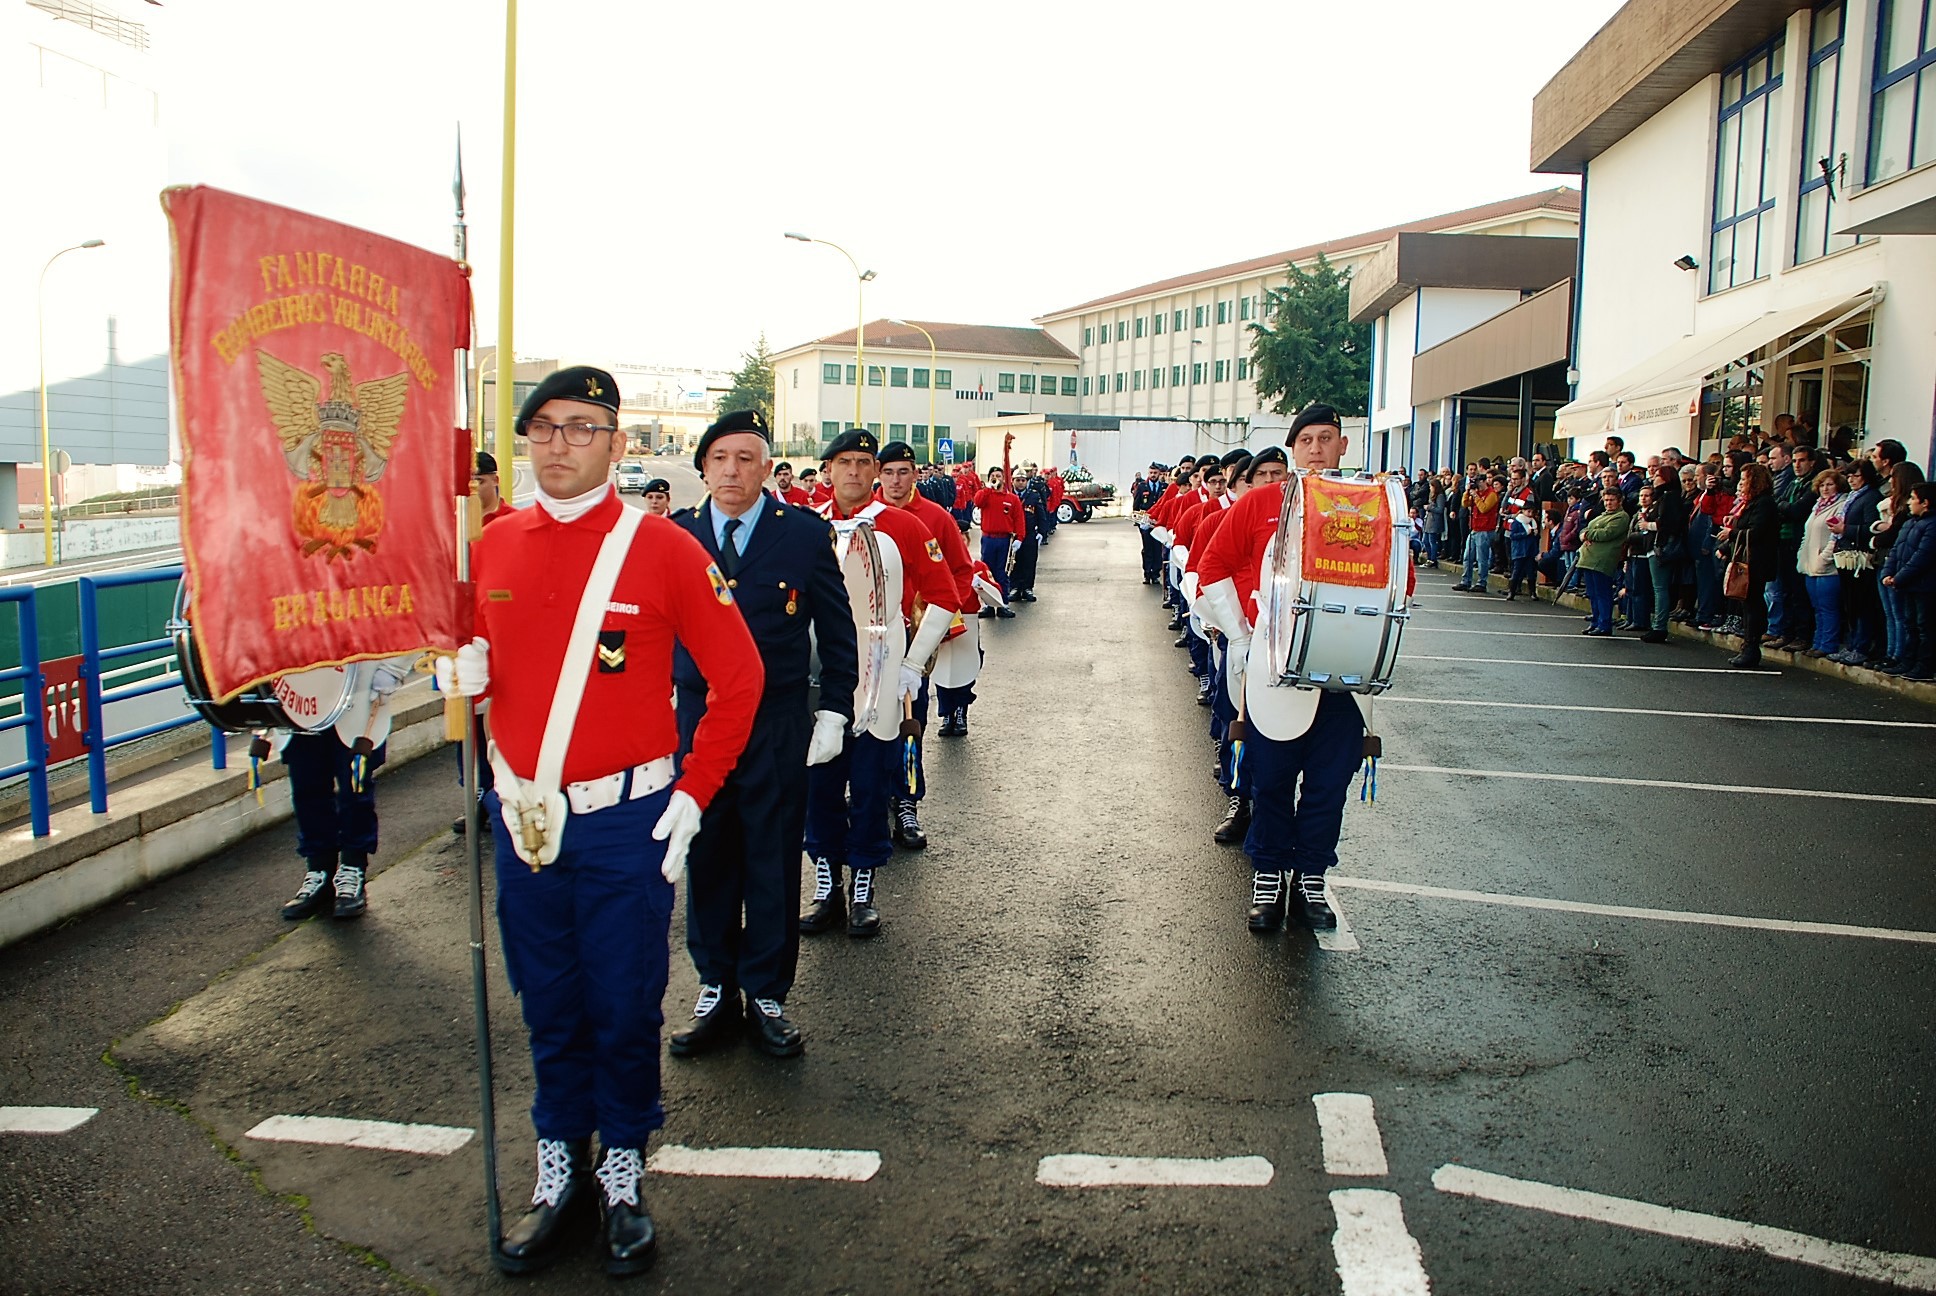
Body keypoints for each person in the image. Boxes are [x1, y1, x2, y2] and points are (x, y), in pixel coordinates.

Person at [447, 366, 763, 1277]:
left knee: (622, 1004)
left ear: (617, 444)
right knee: (547, 1001)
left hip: (630, 821)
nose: (556, 443)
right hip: (525, 818)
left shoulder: (661, 549)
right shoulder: (495, 547)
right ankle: (560, 1169)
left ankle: (621, 1170)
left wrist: (695, 794)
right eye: (542, 427)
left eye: (581, 428)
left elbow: (739, 680)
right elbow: (478, 658)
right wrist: (459, 680)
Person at [666, 410, 858, 1060]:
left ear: (766, 468)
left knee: (771, 857)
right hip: (698, 722)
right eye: (719, 458)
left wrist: (835, 707)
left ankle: (767, 992)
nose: (731, 471)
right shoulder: (676, 536)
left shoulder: (802, 535)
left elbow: (835, 628)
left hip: (775, 721)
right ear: (702, 466)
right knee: (708, 854)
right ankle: (716, 986)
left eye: (746, 458)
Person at [1195, 405, 1410, 934]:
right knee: (1268, 781)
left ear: (1342, 447)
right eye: (1306, 439)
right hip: (1273, 676)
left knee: (1328, 785)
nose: (1316, 448)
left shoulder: (1371, 505)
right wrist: (1246, 638)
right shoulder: (1264, 501)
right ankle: (1268, 878)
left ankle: (1311, 878)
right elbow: (1211, 568)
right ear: (1293, 448)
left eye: (1327, 439)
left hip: (1344, 680)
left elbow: (1400, 584)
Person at [802, 429, 960, 939]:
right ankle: (827, 886)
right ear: (827, 469)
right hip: (818, 674)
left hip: (881, 668)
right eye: (843, 462)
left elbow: (943, 596)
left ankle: (864, 889)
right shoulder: (805, 527)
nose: (853, 471)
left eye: (863, 462)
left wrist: (913, 664)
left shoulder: (905, 527)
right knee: (819, 786)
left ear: (875, 471)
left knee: (871, 785)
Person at [876, 439, 979, 841]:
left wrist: (934, 617)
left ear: (915, 474)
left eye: (903, 472)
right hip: (869, 640)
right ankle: (872, 797)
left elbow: (961, 571)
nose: (895, 480)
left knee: (909, 721)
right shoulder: (864, 516)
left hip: (914, 639)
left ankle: (906, 801)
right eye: (888, 472)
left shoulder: (935, 518)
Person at [275, 657, 415, 921]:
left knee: (355, 791)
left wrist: (394, 668)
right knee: (307, 790)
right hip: (301, 695)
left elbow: (406, 620)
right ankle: (319, 870)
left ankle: (352, 869)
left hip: (358, 694)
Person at [1716, 462, 1779, 669]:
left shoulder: (1765, 503)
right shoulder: (1750, 503)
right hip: (1747, 559)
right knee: (1748, 604)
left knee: (1753, 605)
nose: (1741, 483)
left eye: (1745, 479)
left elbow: (1758, 531)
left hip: (1757, 562)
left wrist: (1732, 533)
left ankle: (1751, 647)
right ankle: (1748, 645)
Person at [1828, 459, 1884, 665]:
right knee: (1850, 604)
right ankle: (1852, 644)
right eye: (1849, 476)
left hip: (1860, 558)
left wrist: (1846, 530)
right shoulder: (1853, 497)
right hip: (1846, 554)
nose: (1851, 480)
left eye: (1856, 476)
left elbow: (1871, 527)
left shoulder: (1871, 497)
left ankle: (1861, 646)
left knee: (1861, 605)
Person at [1881, 482, 1936, 680]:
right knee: (1909, 624)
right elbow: (1895, 551)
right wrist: (1887, 572)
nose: (1910, 502)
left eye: (1913, 498)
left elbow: (1923, 557)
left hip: (1925, 586)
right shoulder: (1909, 523)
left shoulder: (1932, 525)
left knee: (1924, 627)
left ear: (1926, 502)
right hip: (1908, 584)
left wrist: (1899, 577)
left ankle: (1925, 667)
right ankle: (1908, 661)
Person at [1799, 470, 1850, 657]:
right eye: (1822, 485)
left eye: (1829, 484)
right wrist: (1801, 557)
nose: (1825, 489)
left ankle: (1827, 645)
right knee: (1817, 608)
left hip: (1828, 567)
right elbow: (1808, 533)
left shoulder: (1841, 505)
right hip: (1809, 565)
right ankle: (1817, 642)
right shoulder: (1817, 506)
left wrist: (1823, 559)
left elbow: (1835, 537)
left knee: (1828, 607)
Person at [1577, 488, 1631, 636]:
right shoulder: (1601, 516)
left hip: (1603, 560)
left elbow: (1606, 534)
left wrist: (1588, 534)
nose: (1608, 503)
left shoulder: (1621, 517)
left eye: (1612, 500)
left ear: (1619, 501)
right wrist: (1585, 534)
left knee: (1603, 594)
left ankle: (1604, 624)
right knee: (1593, 594)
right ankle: (1595, 621)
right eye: (1606, 500)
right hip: (1589, 558)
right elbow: (1584, 529)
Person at [974, 463, 1027, 604]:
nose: (995, 478)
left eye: (998, 476)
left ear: (1003, 479)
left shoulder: (1012, 499)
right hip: (988, 539)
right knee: (988, 573)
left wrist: (1020, 538)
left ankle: (1003, 603)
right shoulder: (985, 494)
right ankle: (989, 604)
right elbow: (977, 501)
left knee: (1002, 572)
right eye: (993, 476)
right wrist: (988, 489)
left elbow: (1019, 519)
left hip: (1004, 539)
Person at [1454, 471, 1500, 591]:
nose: (1477, 485)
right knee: (1467, 556)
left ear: (1484, 482)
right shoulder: (1477, 493)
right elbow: (1465, 504)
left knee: (1481, 558)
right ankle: (1466, 580)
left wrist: (1476, 496)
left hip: (1485, 529)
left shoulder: (1491, 494)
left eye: (1479, 482)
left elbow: (1484, 508)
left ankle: (1482, 582)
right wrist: (1467, 492)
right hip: (1474, 528)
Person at [475, 450, 516, 524]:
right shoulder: (455, 519)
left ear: (495, 480)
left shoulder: (514, 520)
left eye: (479, 481)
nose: (472, 488)